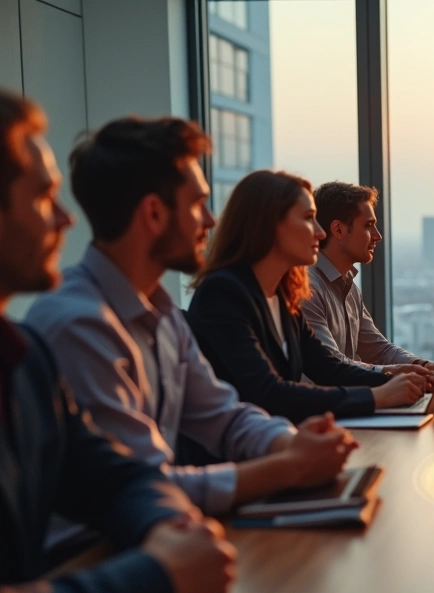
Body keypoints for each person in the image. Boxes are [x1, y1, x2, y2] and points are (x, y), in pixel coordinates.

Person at [25, 117, 357, 525]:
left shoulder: (161, 312)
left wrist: (291, 443)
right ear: (153, 213)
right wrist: (289, 466)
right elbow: (142, 489)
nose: (211, 221)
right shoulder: (79, 325)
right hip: (94, 555)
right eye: (198, 204)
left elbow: (223, 415)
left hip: (162, 535)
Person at [0, 90, 234, 593]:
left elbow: (115, 478)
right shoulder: (63, 329)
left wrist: (166, 526)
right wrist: (157, 575)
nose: (63, 218)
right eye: (42, 197)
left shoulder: (26, 361)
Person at [187, 170, 431, 424]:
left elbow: (327, 368)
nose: (320, 232)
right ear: (270, 226)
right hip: (240, 454)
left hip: (281, 443)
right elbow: (268, 392)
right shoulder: (224, 295)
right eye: (308, 218)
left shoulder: (282, 296)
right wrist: (378, 396)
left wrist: (396, 379)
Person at [302, 181, 434, 376]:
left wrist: (423, 366)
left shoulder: (347, 286)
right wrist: (399, 373)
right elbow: (333, 367)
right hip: (323, 405)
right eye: (368, 226)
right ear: (338, 229)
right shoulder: (308, 290)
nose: (378, 236)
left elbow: (379, 350)